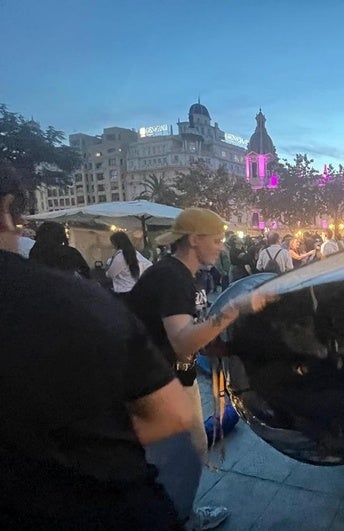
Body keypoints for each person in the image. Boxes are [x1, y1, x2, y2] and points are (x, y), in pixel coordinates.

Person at [0, 176, 195, 529]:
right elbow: (171, 414)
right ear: (6, 210)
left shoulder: (114, 273)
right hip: (106, 507)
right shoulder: (83, 304)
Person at [129, 207, 274, 529]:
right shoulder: (171, 276)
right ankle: (180, 518)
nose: (222, 246)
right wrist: (236, 309)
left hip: (174, 375)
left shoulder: (180, 274)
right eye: (218, 239)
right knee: (180, 456)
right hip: (157, 382)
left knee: (188, 448)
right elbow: (182, 341)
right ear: (195, 239)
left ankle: (177, 514)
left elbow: (191, 333)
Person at [106, 231, 153, 296]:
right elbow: (148, 265)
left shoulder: (120, 256)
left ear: (116, 243)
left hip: (123, 290)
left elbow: (110, 274)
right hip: (136, 289)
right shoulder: (135, 253)